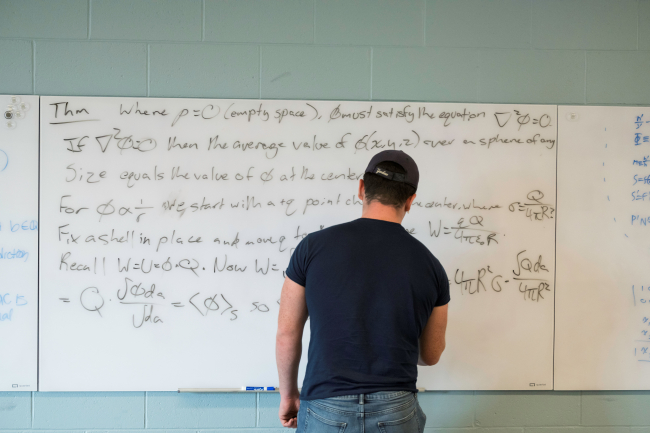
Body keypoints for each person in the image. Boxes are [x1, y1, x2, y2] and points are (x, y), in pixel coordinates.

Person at [276, 150, 450, 433]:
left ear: (361, 188)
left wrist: (288, 396)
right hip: (396, 407)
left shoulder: (312, 248)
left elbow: (287, 333)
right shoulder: (431, 265)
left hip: (325, 403)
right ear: (410, 201)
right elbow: (430, 355)